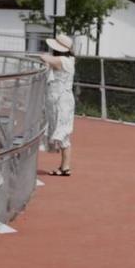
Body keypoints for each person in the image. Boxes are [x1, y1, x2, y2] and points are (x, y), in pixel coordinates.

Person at [40, 33, 75, 177]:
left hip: (61, 100)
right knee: (59, 130)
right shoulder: (67, 59)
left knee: (63, 132)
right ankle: (64, 166)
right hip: (58, 99)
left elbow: (45, 58)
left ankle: (66, 166)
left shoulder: (62, 60)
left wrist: (46, 57)